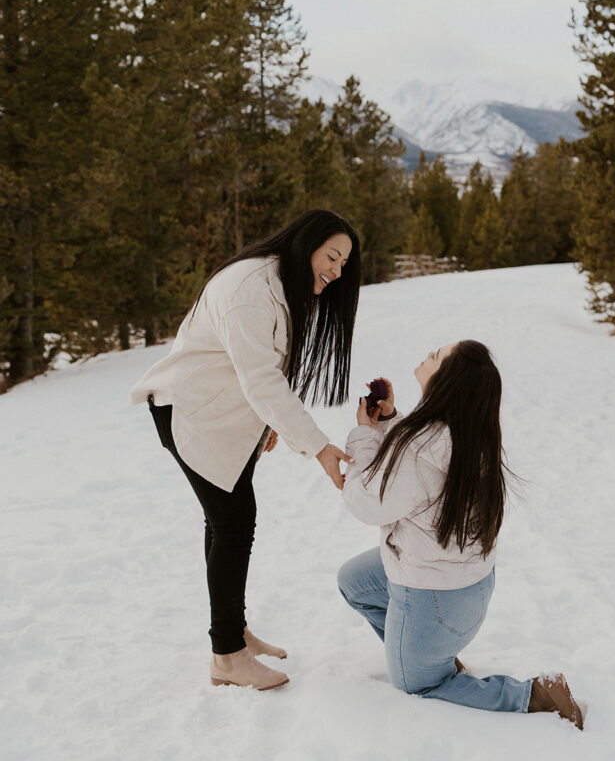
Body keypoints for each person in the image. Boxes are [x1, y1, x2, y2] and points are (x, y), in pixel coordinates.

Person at [131, 210, 361, 691]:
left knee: (226, 523)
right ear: (307, 244)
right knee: (234, 525)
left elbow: (260, 367)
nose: (337, 271)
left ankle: (232, 633)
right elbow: (260, 379)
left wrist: (266, 422)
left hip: (220, 415)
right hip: (191, 413)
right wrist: (319, 447)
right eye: (332, 257)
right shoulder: (251, 289)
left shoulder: (278, 281)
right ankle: (227, 656)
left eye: (344, 263)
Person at [338, 341, 584, 728]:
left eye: (437, 355)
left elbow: (365, 501)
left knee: (414, 684)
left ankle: (532, 695)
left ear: (448, 382)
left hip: (434, 600)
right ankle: (425, 648)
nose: (428, 354)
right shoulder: (465, 432)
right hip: (466, 588)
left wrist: (364, 433)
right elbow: (416, 461)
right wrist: (388, 421)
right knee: (354, 580)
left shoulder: (421, 449)